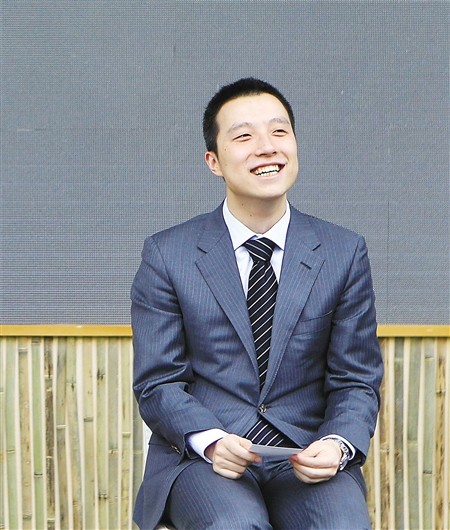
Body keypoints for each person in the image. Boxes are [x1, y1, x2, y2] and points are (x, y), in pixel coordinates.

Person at [131, 77, 383, 529]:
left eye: (279, 131)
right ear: (213, 161)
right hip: (203, 456)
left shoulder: (343, 252)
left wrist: (338, 443)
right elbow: (158, 382)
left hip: (305, 451)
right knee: (234, 524)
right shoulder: (168, 254)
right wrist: (209, 439)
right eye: (244, 136)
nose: (267, 147)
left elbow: (356, 378)